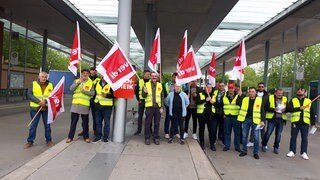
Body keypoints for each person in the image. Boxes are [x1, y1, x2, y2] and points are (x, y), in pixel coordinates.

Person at [24, 72, 54, 149]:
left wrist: (46, 102)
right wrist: (39, 102)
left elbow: (53, 96)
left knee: (47, 126)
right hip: (35, 108)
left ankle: (49, 140)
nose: (43, 78)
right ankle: (30, 141)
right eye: (42, 76)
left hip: (46, 109)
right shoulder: (33, 84)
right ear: (39, 77)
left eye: (45, 77)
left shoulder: (51, 85)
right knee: (33, 126)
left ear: (47, 77)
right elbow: (29, 94)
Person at [286, 88, 316, 160]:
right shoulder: (293, 100)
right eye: (298, 90)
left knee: (304, 138)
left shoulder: (309, 101)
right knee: (293, 137)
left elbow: (312, 113)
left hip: (305, 122)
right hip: (295, 122)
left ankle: (303, 152)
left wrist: (313, 123)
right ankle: (292, 151)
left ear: (305, 92)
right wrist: (299, 108)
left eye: (302, 90)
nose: (299, 91)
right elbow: (288, 109)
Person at [66, 69, 94, 143]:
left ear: (89, 75)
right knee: (73, 122)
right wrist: (78, 83)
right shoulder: (76, 80)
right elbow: (71, 89)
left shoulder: (91, 82)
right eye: (83, 73)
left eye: (87, 73)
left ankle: (86, 137)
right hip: (75, 104)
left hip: (85, 105)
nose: (85, 74)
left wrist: (84, 91)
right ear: (81, 74)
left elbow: (93, 93)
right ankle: (70, 137)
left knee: (85, 122)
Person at [238, 87, 265, 159]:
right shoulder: (245, 99)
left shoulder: (259, 100)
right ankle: (244, 151)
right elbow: (238, 104)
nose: (251, 93)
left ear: (255, 92)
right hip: (246, 119)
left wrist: (262, 120)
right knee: (244, 136)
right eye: (250, 91)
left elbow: (262, 111)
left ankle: (255, 152)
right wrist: (239, 96)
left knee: (256, 137)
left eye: (253, 91)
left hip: (256, 120)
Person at [261, 88, 287, 154]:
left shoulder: (285, 99)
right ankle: (264, 145)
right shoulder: (270, 97)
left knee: (278, 134)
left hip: (281, 119)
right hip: (272, 119)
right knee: (268, 133)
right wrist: (273, 109)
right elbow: (265, 107)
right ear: (275, 93)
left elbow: (287, 108)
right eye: (278, 94)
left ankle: (276, 147)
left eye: (281, 94)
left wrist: (285, 110)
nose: (280, 95)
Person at [142, 72, 164, 145]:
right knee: (148, 123)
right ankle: (147, 138)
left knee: (157, 124)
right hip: (149, 107)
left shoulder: (160, 85)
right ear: (150, 77)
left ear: (157, 77)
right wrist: (144, 92)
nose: (154, 77)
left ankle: (156, 138)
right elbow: (143, 96)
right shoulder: (146, 84)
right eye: (152, 76)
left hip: (158, 108)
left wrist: (162, 107)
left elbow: (162, 97)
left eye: (155, 76)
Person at [78, 67, 100, 137]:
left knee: (95, 117)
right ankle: (84, 130)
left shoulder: (98, 79)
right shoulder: (86, 79)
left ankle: (95, 131)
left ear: (96, 72)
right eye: (92, 71)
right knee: (84, 117)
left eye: (94, 71)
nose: (93, 72)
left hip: (95, 101)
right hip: (86, 100)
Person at [222, 83, 242, 152]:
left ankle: (237, 147)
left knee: (237, 133)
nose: (231, 89)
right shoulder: (224, 96)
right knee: (227, 132)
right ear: (228, 88)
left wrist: (240, 96)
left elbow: (241, 105)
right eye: (229, 88)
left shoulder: (238, 96)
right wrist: (223, 114)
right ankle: (227, 146)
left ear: (234, 89)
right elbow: (221, 106)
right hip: (227, 117)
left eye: (232, 88)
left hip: (236, 117)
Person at [92, 78, 114, 143]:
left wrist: (107, 95)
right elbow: (94, 94)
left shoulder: (111, 83)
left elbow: (115, 94)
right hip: (97, 105)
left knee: (106, 123)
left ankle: (105, 137)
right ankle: (98, 136)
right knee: (98, 122)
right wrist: (93, 102)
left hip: (107, 107)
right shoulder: (97, 83)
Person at [248, 82, 268, 147]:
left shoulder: (267, 95)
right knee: (253, 128)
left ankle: (264, 143)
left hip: (262, 113)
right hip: (254, 114)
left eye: (262, 87)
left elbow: (268, 104)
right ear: (257, 87)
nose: (261, 88)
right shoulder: (254, 93)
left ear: (264, 87)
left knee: (262, 129)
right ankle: (251, 141)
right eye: (259, 86)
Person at [197, 84, 216, 150]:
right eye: (208, 87)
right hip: (202, 115)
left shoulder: (214, 95)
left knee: (212, 130)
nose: (209, 89)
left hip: (211, 116)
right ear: (205, 88)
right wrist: (205, 100)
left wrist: (213, 102)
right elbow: (197, 102)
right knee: (201, 130)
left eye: (210, 88)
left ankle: (212, 144)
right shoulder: (200, 94)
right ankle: (202, 143)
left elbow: (217, 104)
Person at [134, 70, 151, 135]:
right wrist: (138, 99)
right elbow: (136, 91)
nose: (147, 75)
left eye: (149, 74)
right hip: (141, 101)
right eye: (146, 74)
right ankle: (139, 130)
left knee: (149, 117)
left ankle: (149, 130)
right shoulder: (140, 81)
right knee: (140, 116)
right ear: (143, 75)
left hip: (148, 102)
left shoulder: (151, 82)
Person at [163, 72, 178, 139]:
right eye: (174, 77)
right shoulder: (167, 84)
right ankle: (166, 132)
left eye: (176, 77)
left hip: (177, 105)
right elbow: (164, 94)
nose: (175, 78)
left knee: (176, 119)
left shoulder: (180, 84)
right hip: (169, 104)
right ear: (172, 77)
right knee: (168, 118)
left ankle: (175, 132)